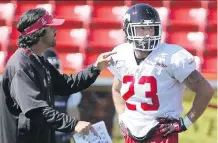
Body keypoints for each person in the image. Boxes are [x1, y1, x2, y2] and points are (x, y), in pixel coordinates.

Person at [0, 8, 116, 143]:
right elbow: (37, 110)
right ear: (39, 32)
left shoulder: (38, 59)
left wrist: (96, 68)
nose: (56, 30)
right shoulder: (21, 65)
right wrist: (73, 124)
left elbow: (65, 85)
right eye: (51, 27)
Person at [108, 4, 214, 143]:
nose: (147, 33)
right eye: (142, 28)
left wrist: (184, 123)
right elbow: (116, 89)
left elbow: (205, 91)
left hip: (161, 131)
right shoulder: (121, 54)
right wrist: (122, 117)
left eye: (151, 28)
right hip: (132, 131)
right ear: (128, 30)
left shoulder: (171, 56)